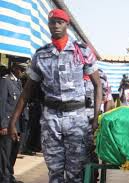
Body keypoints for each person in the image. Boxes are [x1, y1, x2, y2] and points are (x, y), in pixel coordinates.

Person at [8, 9, 102, 183]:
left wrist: (96, 117)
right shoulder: (41, 55)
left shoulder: (81, 52)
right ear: (48, 25)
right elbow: (27, 91)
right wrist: (13, 120)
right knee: (54, 172)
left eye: (60, 22)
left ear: (67, 24)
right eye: (53, 22)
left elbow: (98, 85)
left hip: (77, 119)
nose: (56, 25)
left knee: (76, 172)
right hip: (51, 119)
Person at [0, 62, 27, 183]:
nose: (23, 72)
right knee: (5, 154)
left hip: (17, 125)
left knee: (13, 153)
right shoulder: (5, 81)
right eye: (21, 69)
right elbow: (2, 104)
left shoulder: (18, 82)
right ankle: (4, 178)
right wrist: (3, 125)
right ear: (15, 68)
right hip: (8, 125)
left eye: (24, 69)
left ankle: (10, 176)